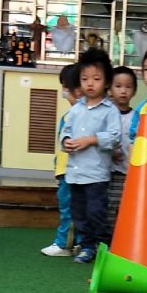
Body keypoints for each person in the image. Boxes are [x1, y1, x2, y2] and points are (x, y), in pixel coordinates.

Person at [61, 47, 121, 265]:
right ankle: (86, 246)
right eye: (85, 78)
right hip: (75, 173)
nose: (90, 83)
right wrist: (66, 142)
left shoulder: (110, 110)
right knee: (79, 214)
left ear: (106, 83)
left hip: (96, 174)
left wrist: (91, 140)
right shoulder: (75, 109)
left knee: (97, 212)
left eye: (96, 79)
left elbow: (115, 137)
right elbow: (65, 131)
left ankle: (104, 247)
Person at [42, 62, 82, 257]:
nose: (64, 92)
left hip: (72, 171)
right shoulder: (68, 115)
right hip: (64, 171)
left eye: (66, 87)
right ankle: (76, 243)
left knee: (70, 208)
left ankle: (64, 244)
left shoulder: (79, 116)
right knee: (68, 206)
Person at [107, 63, 138, 233]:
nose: (123, 91)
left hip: (126, 173)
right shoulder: (105, 113)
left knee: (123, 207)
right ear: (110, 89)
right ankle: (106, 240)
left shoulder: (136, 117)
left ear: (134, 90)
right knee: (107, 207)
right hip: (106, 171)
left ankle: (120, 239)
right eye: (118, 86)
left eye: (128, 86)